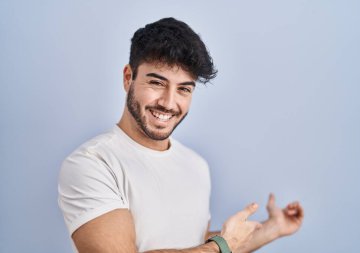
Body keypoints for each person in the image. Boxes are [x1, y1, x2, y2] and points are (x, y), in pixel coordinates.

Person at [58, 17, 304, 253]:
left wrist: (272, 229)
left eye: (184, 89)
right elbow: (216, 249)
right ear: (128, 78)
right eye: (156, 83)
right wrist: (221, 246)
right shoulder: (92, 164)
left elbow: (194, 246)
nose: (168, 103)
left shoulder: (196, 165)